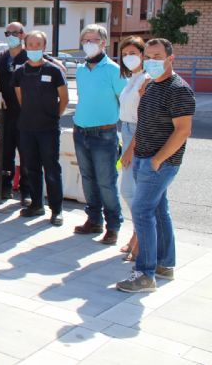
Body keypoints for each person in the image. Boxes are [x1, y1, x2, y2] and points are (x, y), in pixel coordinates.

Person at [116, 38, 195, 293]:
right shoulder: (149, 86)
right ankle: (164, 264)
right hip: (144, 158)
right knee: (159, 210)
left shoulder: (179, 89)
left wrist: (158, 160)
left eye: (157, 57)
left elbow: (183, 131)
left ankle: (144, 273)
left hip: (160, 163)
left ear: (170, 58)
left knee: (141, 210)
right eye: (148, 57)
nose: (151, 61)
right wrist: (137, 152)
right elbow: (145, 123)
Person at [73, 24, 127, 245]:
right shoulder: (80, 69)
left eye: (93, 40)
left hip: (104, 134)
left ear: (104, 42)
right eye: (85, 40)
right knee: (87, 179)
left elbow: (124, 100)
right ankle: (93, 219)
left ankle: (113, 226)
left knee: (106, 182)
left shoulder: (114, 70)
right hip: (81, 131)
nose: (88, 44)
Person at [13, 30, 68, 226]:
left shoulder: (53, 70)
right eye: (31, 45)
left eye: (38, 45)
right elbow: (20, 97)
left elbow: (65, 99)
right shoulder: (20, 72)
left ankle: (57, 209)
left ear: (44, 47)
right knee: (31, 168)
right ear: (25, 46)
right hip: (27, 128)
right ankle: (36, 204)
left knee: (52, 169)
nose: (34, 48)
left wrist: (54, 116)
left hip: (48, 129)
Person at [0, 21, 32, 204]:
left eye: (15, 33)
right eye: (8, 33)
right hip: (5, 112)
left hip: (26, 113)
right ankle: (4, 189)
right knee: (5, 152)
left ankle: (26, 192)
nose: (12, 36)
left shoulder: (29, 56)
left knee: (26, 153)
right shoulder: (0, 57)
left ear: (23, 34)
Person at [117, 36, 148, 261]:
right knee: (131, 190)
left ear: (143, 55)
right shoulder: (133, 79)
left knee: (131, 191)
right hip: (126, 132)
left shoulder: (146, 80)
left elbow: (145, 120)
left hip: (137, 135)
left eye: (133, 53)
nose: (129, 57)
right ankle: (137, 235)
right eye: (125, 54)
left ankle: (140, 239)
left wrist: (129, 149)